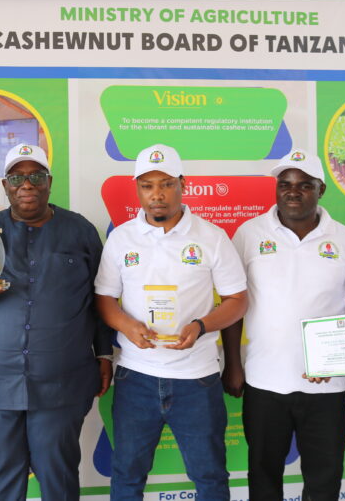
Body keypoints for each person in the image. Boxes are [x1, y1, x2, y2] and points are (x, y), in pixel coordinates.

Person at [0, 143, 113, 501]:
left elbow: (100, 297)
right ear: (5, 186)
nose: (27, 185)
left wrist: (104, 354)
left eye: (36, 176)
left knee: (58, 476)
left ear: (49, 182)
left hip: (61, 383)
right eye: (17, 178)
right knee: (2, 478)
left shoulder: (80, 231)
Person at [95, 143, 248, 500]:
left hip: (197, 379)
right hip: (136, 377)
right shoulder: (121, 239)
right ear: (137, 189)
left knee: (210, 477)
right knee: (127, 475)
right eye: (147, 185)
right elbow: (104, 299)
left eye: (166, 184)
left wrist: (201, 326)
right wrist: (128, 327)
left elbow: (238, 300)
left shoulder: (211, 237)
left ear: (183, 184)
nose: (157, 194)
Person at [223, 148, 345, 501]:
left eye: (304, 185)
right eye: (285, 184)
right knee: (263, 476)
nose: (293, 192)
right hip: (264, 380)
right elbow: (232, 303)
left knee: (324, 480)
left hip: (327, 386)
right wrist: (233, 364)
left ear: (321, 189)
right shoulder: (249, 233)